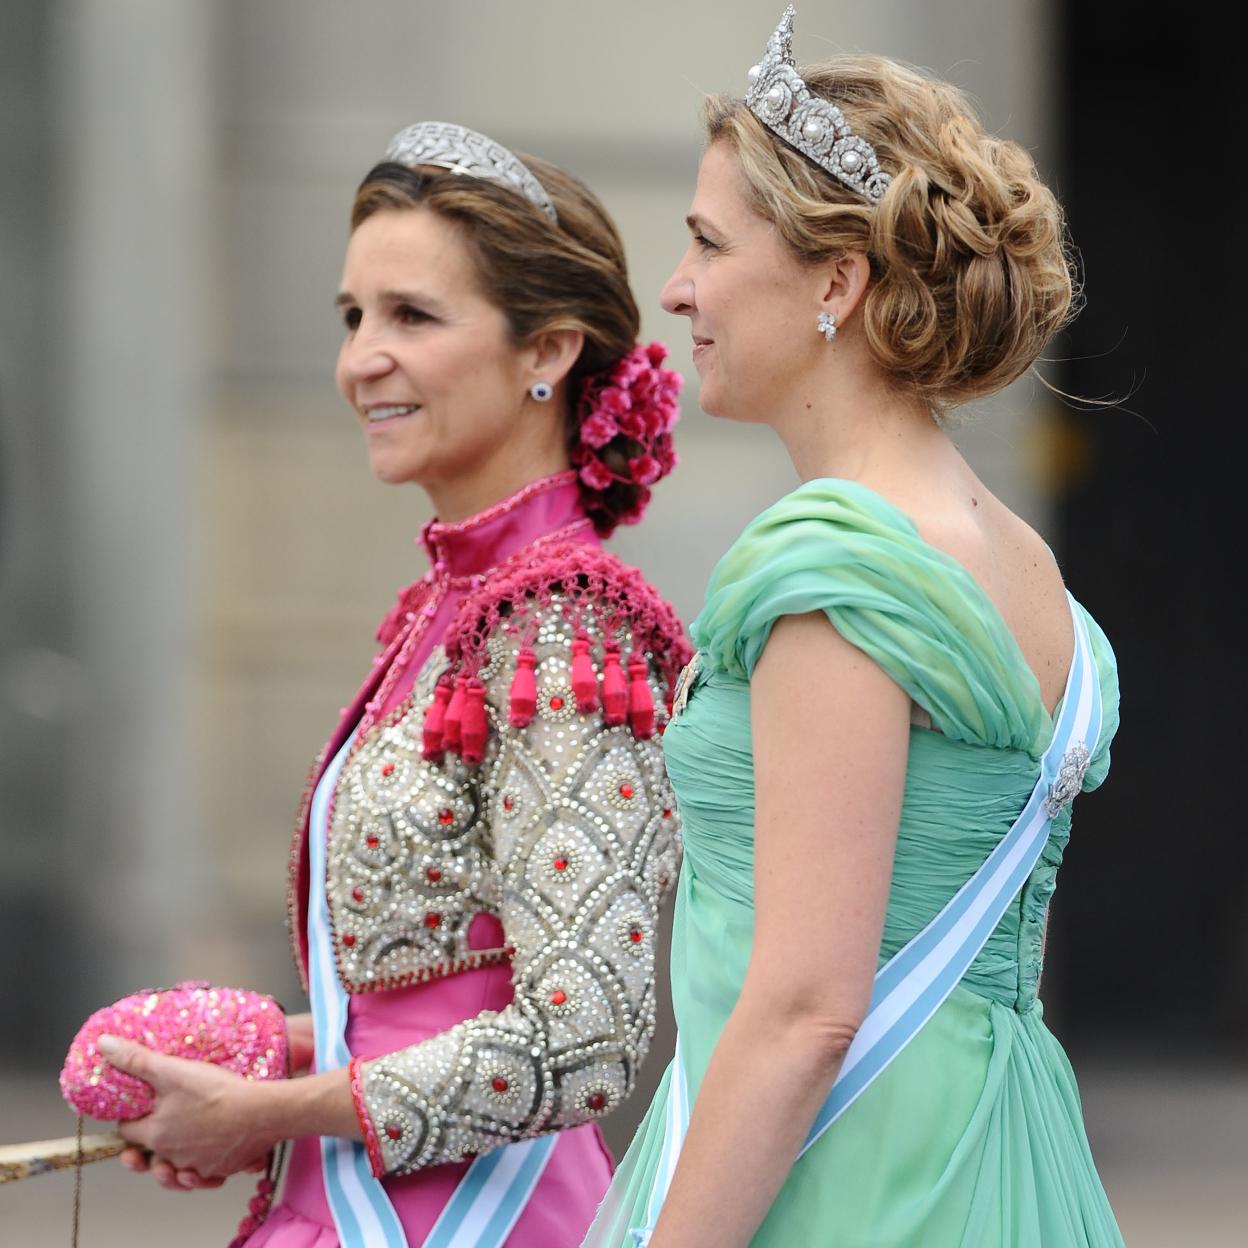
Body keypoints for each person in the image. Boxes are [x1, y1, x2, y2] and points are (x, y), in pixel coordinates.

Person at [98, 120, 689, 1248]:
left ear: (547, 353)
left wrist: (270, 1111)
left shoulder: (562, 632)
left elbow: (586, 1035)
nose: (363, 356)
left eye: (412, 316)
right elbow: (421, 993)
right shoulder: (448, 610)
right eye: (353, 316)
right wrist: (243, 1074)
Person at [585, 9, 1123, 1247]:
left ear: (836, 282)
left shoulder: (838, 565)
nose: (677, 289)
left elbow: (803, 1014)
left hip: (852, 1184)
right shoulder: (1027, 565)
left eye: (710, 244)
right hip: (1007, 1151)